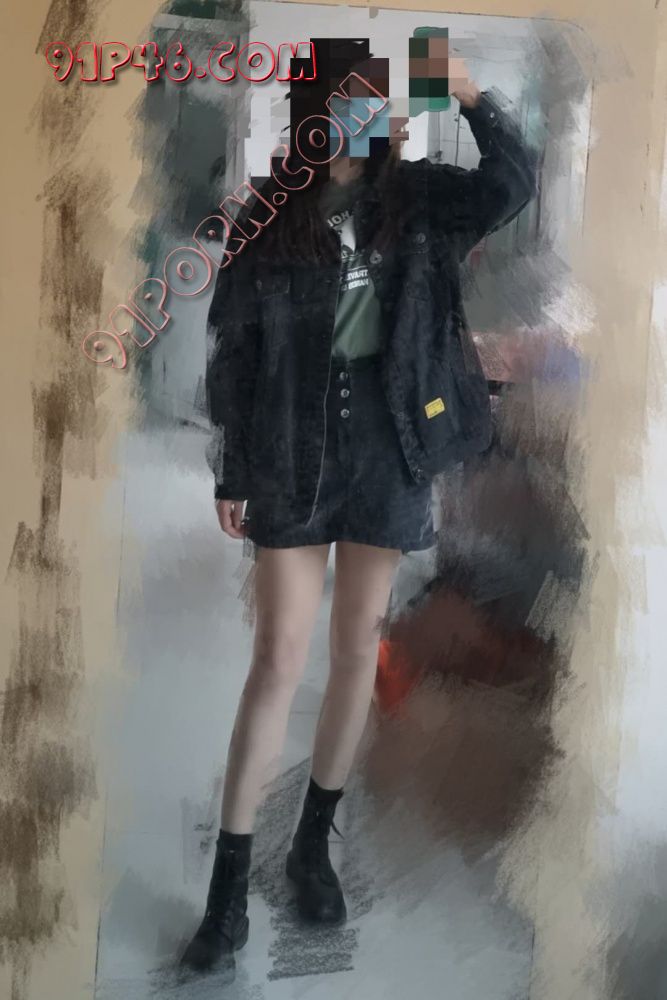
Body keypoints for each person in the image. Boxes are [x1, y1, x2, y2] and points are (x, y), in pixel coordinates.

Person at [180, 36, 537, 976]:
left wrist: (470, 93)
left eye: (372, 99)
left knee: (352, 652)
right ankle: (226, 888)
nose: (359, 115)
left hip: (389, 449)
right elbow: (233, 348)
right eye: (342, 99)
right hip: (292, 451)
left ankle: (313, 844)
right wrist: (231, 470)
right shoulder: (268, 212)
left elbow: (510, 183)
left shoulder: (418, 199)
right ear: (311, 109)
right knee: (276, 658)